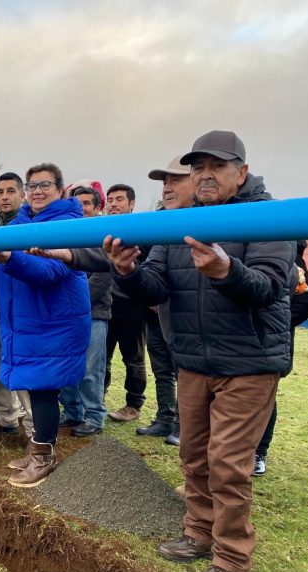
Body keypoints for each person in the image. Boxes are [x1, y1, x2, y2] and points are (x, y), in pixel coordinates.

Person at [105, 130, 294, 572]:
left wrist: (228, 270)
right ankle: (198, 531)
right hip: (192, 359)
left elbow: (268, 287)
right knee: (192, 453)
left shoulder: (272, 217)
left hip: (248, 363)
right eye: (198, 168)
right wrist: (128, 271)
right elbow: (155, 285)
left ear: (241, 172)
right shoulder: (180, 224)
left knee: (228, 463)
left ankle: (231, 558)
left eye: (217, 167)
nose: (205, 176)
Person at [0, 162, 91, 488]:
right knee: (35, 387)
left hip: (55, 324)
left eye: (45, 185)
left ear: (60, 190)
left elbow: (48, 272)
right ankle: (37, 452)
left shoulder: (68, 225)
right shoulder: (20, 224)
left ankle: (44, 456)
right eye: (33, 186)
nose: (38, 191)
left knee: (44, 390)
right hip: (29, 323)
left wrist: (10, 259)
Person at [136, 156, 195, 445]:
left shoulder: (239, 219)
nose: (167, 189)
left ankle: (183, 425)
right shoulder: (165, 228)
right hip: (168, 326)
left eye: (175, 180)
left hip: (225, 353)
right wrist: (127, 271)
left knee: (223, 454)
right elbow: (151, 280)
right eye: (164, 182)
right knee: (165, 371)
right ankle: (168, 419)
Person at [252, 240, 308, 476]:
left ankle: (259, 452)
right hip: (237, 344)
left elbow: (306, 303)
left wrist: (274, 324)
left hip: (270, 343)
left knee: (265, 399)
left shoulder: (292, 259)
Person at [55, 186, 112, 437]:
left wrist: (72, 302)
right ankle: (72, 411)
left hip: (94, 314)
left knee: (91, 370)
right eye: (77, 204)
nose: (81, 209)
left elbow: (101, 280)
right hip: (66, 317)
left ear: (97, 207)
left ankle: (94, 416)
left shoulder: (103, 238)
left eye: (86, 204)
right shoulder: (66, 235)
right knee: (66, 367)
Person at [0, 173, 34, 438]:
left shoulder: (29, 226)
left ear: (22, 195)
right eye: (0, 192)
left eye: (10, 191)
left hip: (20, 312)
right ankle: (6, 416)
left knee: (24, 371)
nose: (4, 196)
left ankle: (35, 430)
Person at [104, 183, 148, 423]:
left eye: (119, 199)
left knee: (133, 359)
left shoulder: (142, 232)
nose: (113, 204)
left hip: (133, 309)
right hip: (107, 309)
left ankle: (134, 404)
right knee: (104, 359)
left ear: (131, 204)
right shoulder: (101, 233)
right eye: (110, 200)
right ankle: (99, 397)